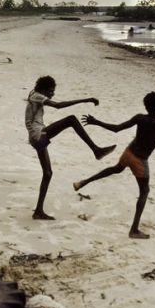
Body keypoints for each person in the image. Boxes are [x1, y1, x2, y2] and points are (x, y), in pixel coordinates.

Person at [73, 65, 155, 239]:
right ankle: (134, 230)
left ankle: (85, 181)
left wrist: (96, 122)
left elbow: (117, 129)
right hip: (140, 160)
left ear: (145, 105)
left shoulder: (140, 118)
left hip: (129, 152)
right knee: (144, 192)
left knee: (116, 168)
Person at [25, 75, 117, 220]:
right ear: (43, 89)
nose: (52, 94)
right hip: (39, 135)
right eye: (50, 91)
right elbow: (58, 105)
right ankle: (96, 150)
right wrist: (85, 100)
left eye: (53, 91)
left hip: (37, 138)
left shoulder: (34, 95)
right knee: (71, 119)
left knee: (48, 173)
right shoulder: (37, 96)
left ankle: (38, 211)